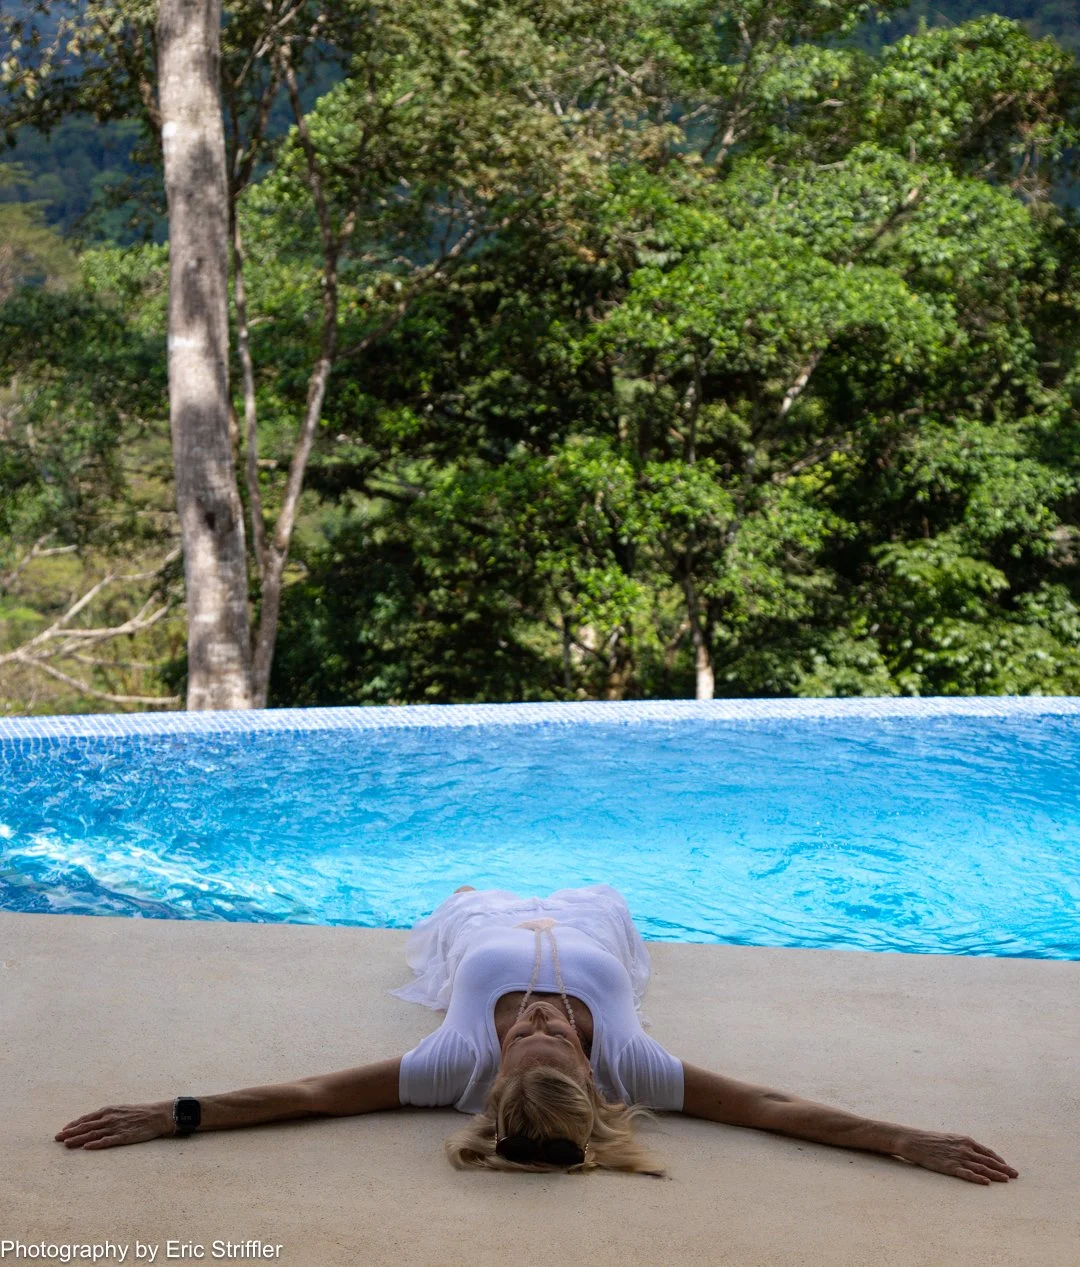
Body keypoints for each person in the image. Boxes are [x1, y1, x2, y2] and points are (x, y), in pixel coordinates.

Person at [54, 884, 1019, 1186]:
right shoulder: (631, 1063)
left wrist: (173, 1112)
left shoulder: (454, 1063)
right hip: (598, 915)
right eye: (551, 1036)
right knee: (603, 889)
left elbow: (306, 1096)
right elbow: (769, 1106)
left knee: (467, 892)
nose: (548, 1020)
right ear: (597, 1081)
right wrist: (902, 1137)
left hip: (470, 916)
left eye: (541, 1034)